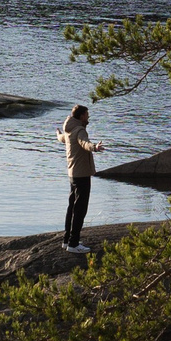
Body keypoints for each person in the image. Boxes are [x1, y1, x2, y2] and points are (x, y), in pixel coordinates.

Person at [59, 104, 97, 252]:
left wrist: (57, 134)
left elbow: (62, 138)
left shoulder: (69, 130)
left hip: (72, 174)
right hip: (81, 175)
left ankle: (66, 240)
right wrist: (94, 147)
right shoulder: (80, 130)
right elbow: (84, 143)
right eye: (87, 114)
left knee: (72, 207)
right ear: (81, 116)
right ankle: (74, 244)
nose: (88, 117)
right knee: (80, 209)